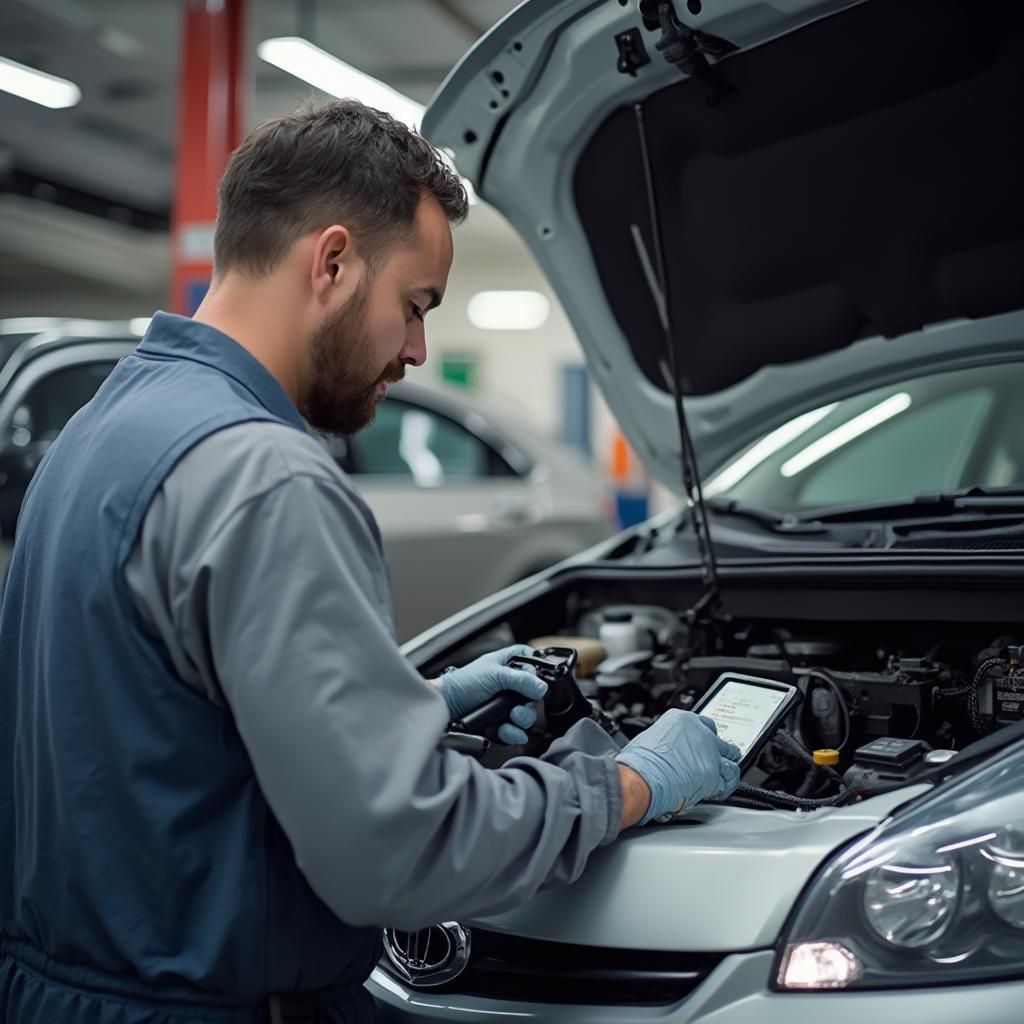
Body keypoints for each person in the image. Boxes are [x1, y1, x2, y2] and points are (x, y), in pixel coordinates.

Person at [0, 98, 741, 1023]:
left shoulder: (99, 431)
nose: (418, 350)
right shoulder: (267, 477)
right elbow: (400, 854)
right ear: (335, 260)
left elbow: (145, 733)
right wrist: (629, 783)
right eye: (416, 305)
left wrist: (417, 705)